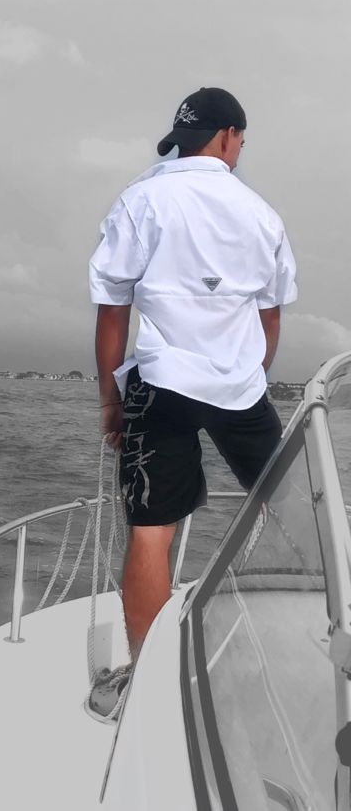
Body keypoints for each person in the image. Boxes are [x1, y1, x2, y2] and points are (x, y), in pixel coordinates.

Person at [87, 87, 298, 717]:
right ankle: (305, 643)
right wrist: (249, 374)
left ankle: (146, 682)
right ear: (230, 137)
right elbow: (269, 318)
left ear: (185, 139)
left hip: (161, 386)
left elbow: (112, 311)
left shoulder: (141, 198)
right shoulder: (261, 214)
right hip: (240, 389)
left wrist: (111, 401)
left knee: (152, 531)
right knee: (293, 510)